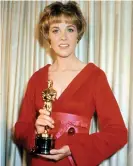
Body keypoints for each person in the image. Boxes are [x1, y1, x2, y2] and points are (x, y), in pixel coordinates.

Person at [14, 1, 127, 166]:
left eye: (70, 29)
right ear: (48, 36)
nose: (63, 37)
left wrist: (73, 149)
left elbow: (118, 133)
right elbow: (20, 129)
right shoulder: (36, 78)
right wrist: (35, 133)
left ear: (78, 34)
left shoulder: (95, 77)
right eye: (55, 30)